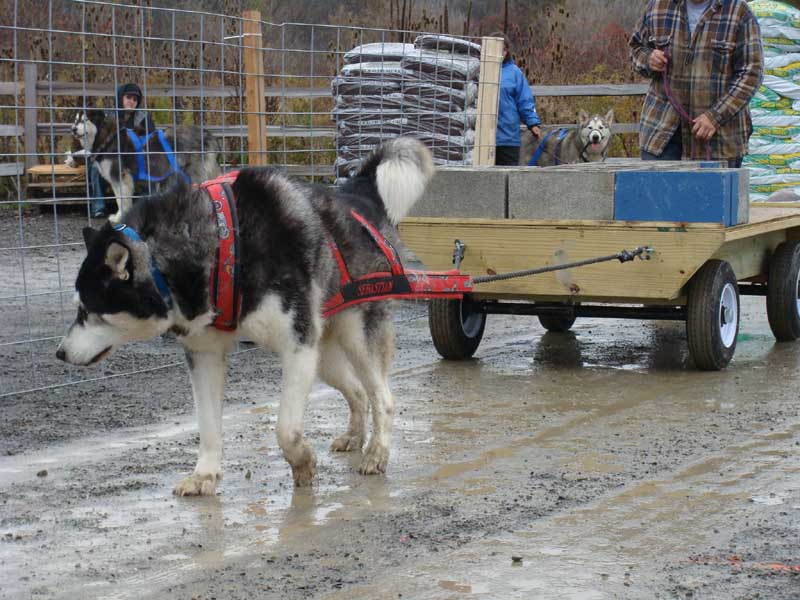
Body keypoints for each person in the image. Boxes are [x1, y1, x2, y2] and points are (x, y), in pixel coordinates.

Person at [629, 0, 763, 168]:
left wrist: (715, 117)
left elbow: (752, 73)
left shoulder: (739, 12)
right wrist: (648, 59)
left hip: (719, 142)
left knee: (712, 195)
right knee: (659, 194)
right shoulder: (657, 6)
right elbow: (636, 48)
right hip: (661, 135)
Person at [491, 32, 542, 166]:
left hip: (508, 137)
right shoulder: (478, 71)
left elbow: (525, 101)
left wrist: (533, 123)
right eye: (494, 48)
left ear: (506, 51)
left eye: (502, 49)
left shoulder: (515, 73)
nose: (499, 53)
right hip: (482, 140)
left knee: (508, 177)